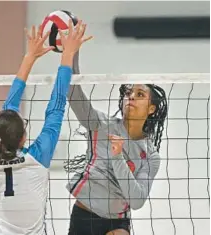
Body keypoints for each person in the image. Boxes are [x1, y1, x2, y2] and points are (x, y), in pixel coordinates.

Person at [0, 20, 92, 235]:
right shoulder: (37, 159)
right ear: (23, 138)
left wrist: (30, 57)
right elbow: (56, 107)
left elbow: (17, 110)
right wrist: (66, 55)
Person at [65, 52, 168, 235]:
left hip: (118, 222)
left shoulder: (151, 156)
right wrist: (71, 52)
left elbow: (137, 201)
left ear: (151, 109)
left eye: (140, 94)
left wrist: (117, 156)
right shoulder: (101, 124)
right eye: (129, 93)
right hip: (85, 215)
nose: (131, 97)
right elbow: (73, 93)